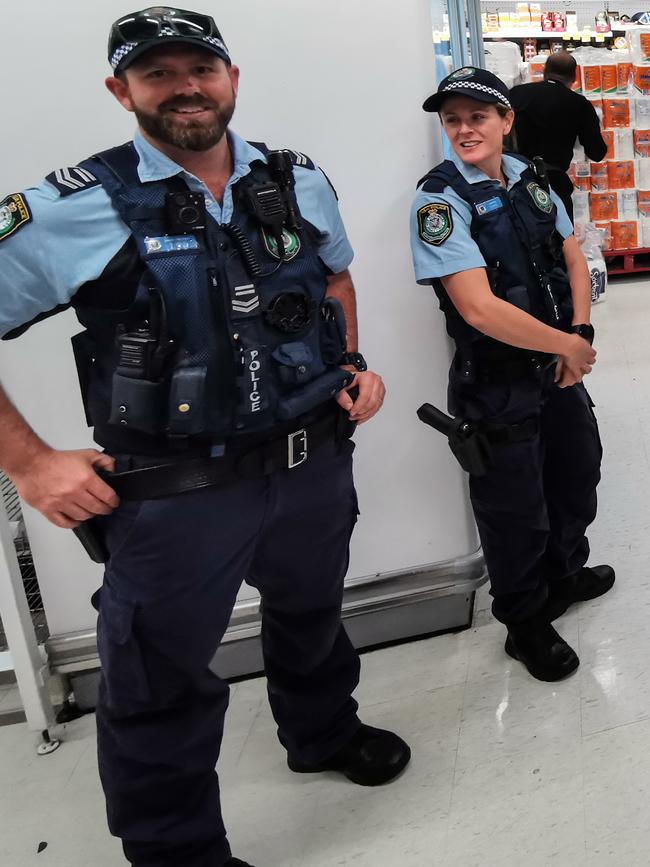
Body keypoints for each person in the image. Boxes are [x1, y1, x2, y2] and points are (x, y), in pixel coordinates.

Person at [0, 8, 411, 866]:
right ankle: (179, 851)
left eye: (202, 67)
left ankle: (323, 732)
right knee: (156, 680)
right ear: (122, 90)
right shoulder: (68, 206)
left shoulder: (296, 179)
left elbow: (332, 273)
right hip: (174, 495)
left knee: (311, 613)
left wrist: (355, 362)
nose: (185, 86)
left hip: (309, 463)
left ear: (231, 77)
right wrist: (31, 462)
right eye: (157, 73)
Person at [410, 66, 615, 683]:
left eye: (478, 116)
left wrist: (577, 336)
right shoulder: (439, 199)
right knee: (513, 507)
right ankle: (524, 622)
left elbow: (572, 254)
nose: (465, 129)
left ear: (507, 121)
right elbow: (478, 307)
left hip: (556, 365)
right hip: (495, 382)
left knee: (576, 472)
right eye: (453, 120)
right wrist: (567, 345)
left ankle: (564, 572)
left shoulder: (532, 178)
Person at [510, 51, 607, 221]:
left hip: (516, 179)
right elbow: (597, 152)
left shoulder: (517, 94)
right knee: (561, 239)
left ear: (545, 71)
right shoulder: (580, 104)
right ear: (574, 78)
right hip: (553, 184)